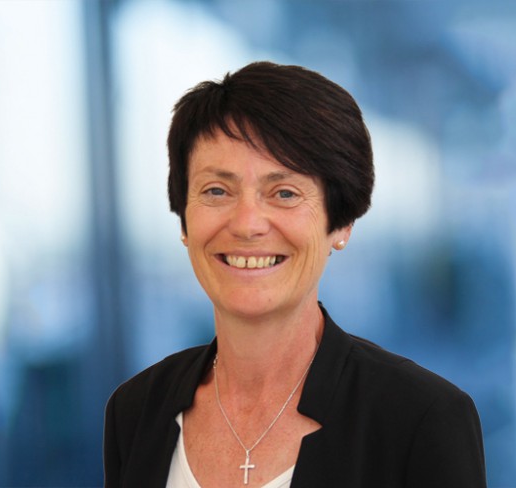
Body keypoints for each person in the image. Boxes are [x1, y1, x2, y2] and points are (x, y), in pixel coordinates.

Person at [103, 61, 486, 487]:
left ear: (341, 223)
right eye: (217, 191)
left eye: (284, 193)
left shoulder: (421, 418)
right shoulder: (135, 411)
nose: (247, 224)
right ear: (184, 221)